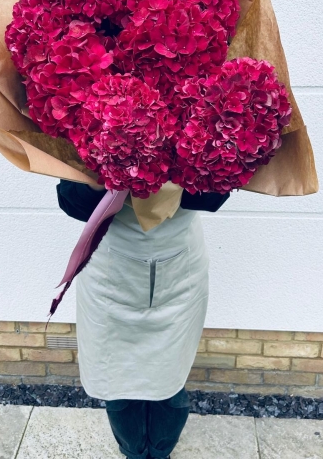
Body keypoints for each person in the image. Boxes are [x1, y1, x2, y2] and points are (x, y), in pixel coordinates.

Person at [57, 180, 230, 459]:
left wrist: (183, 170)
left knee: (168, 381)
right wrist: (103, 172)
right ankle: (133, 453)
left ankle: (161, 453)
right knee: (117, 381)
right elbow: (71, 201)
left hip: (177, 265)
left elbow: (213, 198)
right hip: (112, 267)